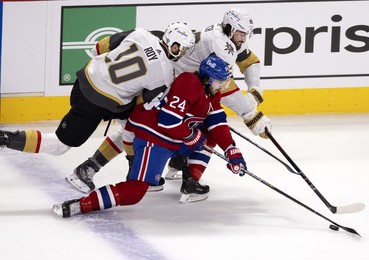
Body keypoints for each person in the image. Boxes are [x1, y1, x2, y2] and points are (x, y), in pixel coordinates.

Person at [63, 7, 272, 194]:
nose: (244, 38)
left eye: (247, 34)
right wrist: (250, 115)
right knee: (138, 128)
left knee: (189, 125)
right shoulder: (221, 45)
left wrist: (255, 88)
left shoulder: (225, 37)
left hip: (183, 88)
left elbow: (249, 60)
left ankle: (178, 163)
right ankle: (90, 167)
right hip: (165, 86)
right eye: (241, 33)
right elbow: (226, 89)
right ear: (229, 27)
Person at [52, 54, 247, 217]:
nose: (224, 86)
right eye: (221, 81)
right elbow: (168, 121)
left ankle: (191, 182)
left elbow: (217, 122)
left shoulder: (211, 94)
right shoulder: (189, 82)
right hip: (153, 137)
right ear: (208, 78)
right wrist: (191, 136)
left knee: (208, 135)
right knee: (134, 192)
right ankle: (81, 205)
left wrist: (232, 150)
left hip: (172, 138)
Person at [0, 23, 195, 165]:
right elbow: (142, 102)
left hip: (84, 78)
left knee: (128, 122)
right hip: (96, 104)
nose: (183, 53)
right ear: (173, 43)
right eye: (183, 48)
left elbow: (100, 46)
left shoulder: (141, 34)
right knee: (61, 145)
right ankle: (7, 140)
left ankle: (112, 165)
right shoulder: (165, 75)